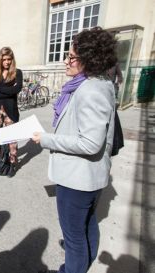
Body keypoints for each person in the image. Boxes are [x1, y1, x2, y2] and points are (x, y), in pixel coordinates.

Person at [32, 27, 117, 273]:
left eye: (71, 57)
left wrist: (47, 139)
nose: (66, 61)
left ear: (88, 60)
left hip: (78, 180)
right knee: (87, 226)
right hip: (87, 178)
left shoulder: (90, 90)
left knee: (74, 239)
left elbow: (91, 143)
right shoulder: (97, 84)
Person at [0, 47, 23, 177]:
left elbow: (16, 89)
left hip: (10, 111)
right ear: (0, 60)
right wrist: (6, 90)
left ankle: (12, 163)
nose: (7, 62)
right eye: (4, 59)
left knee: (11, 138)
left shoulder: (17, 73)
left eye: (9, 59)